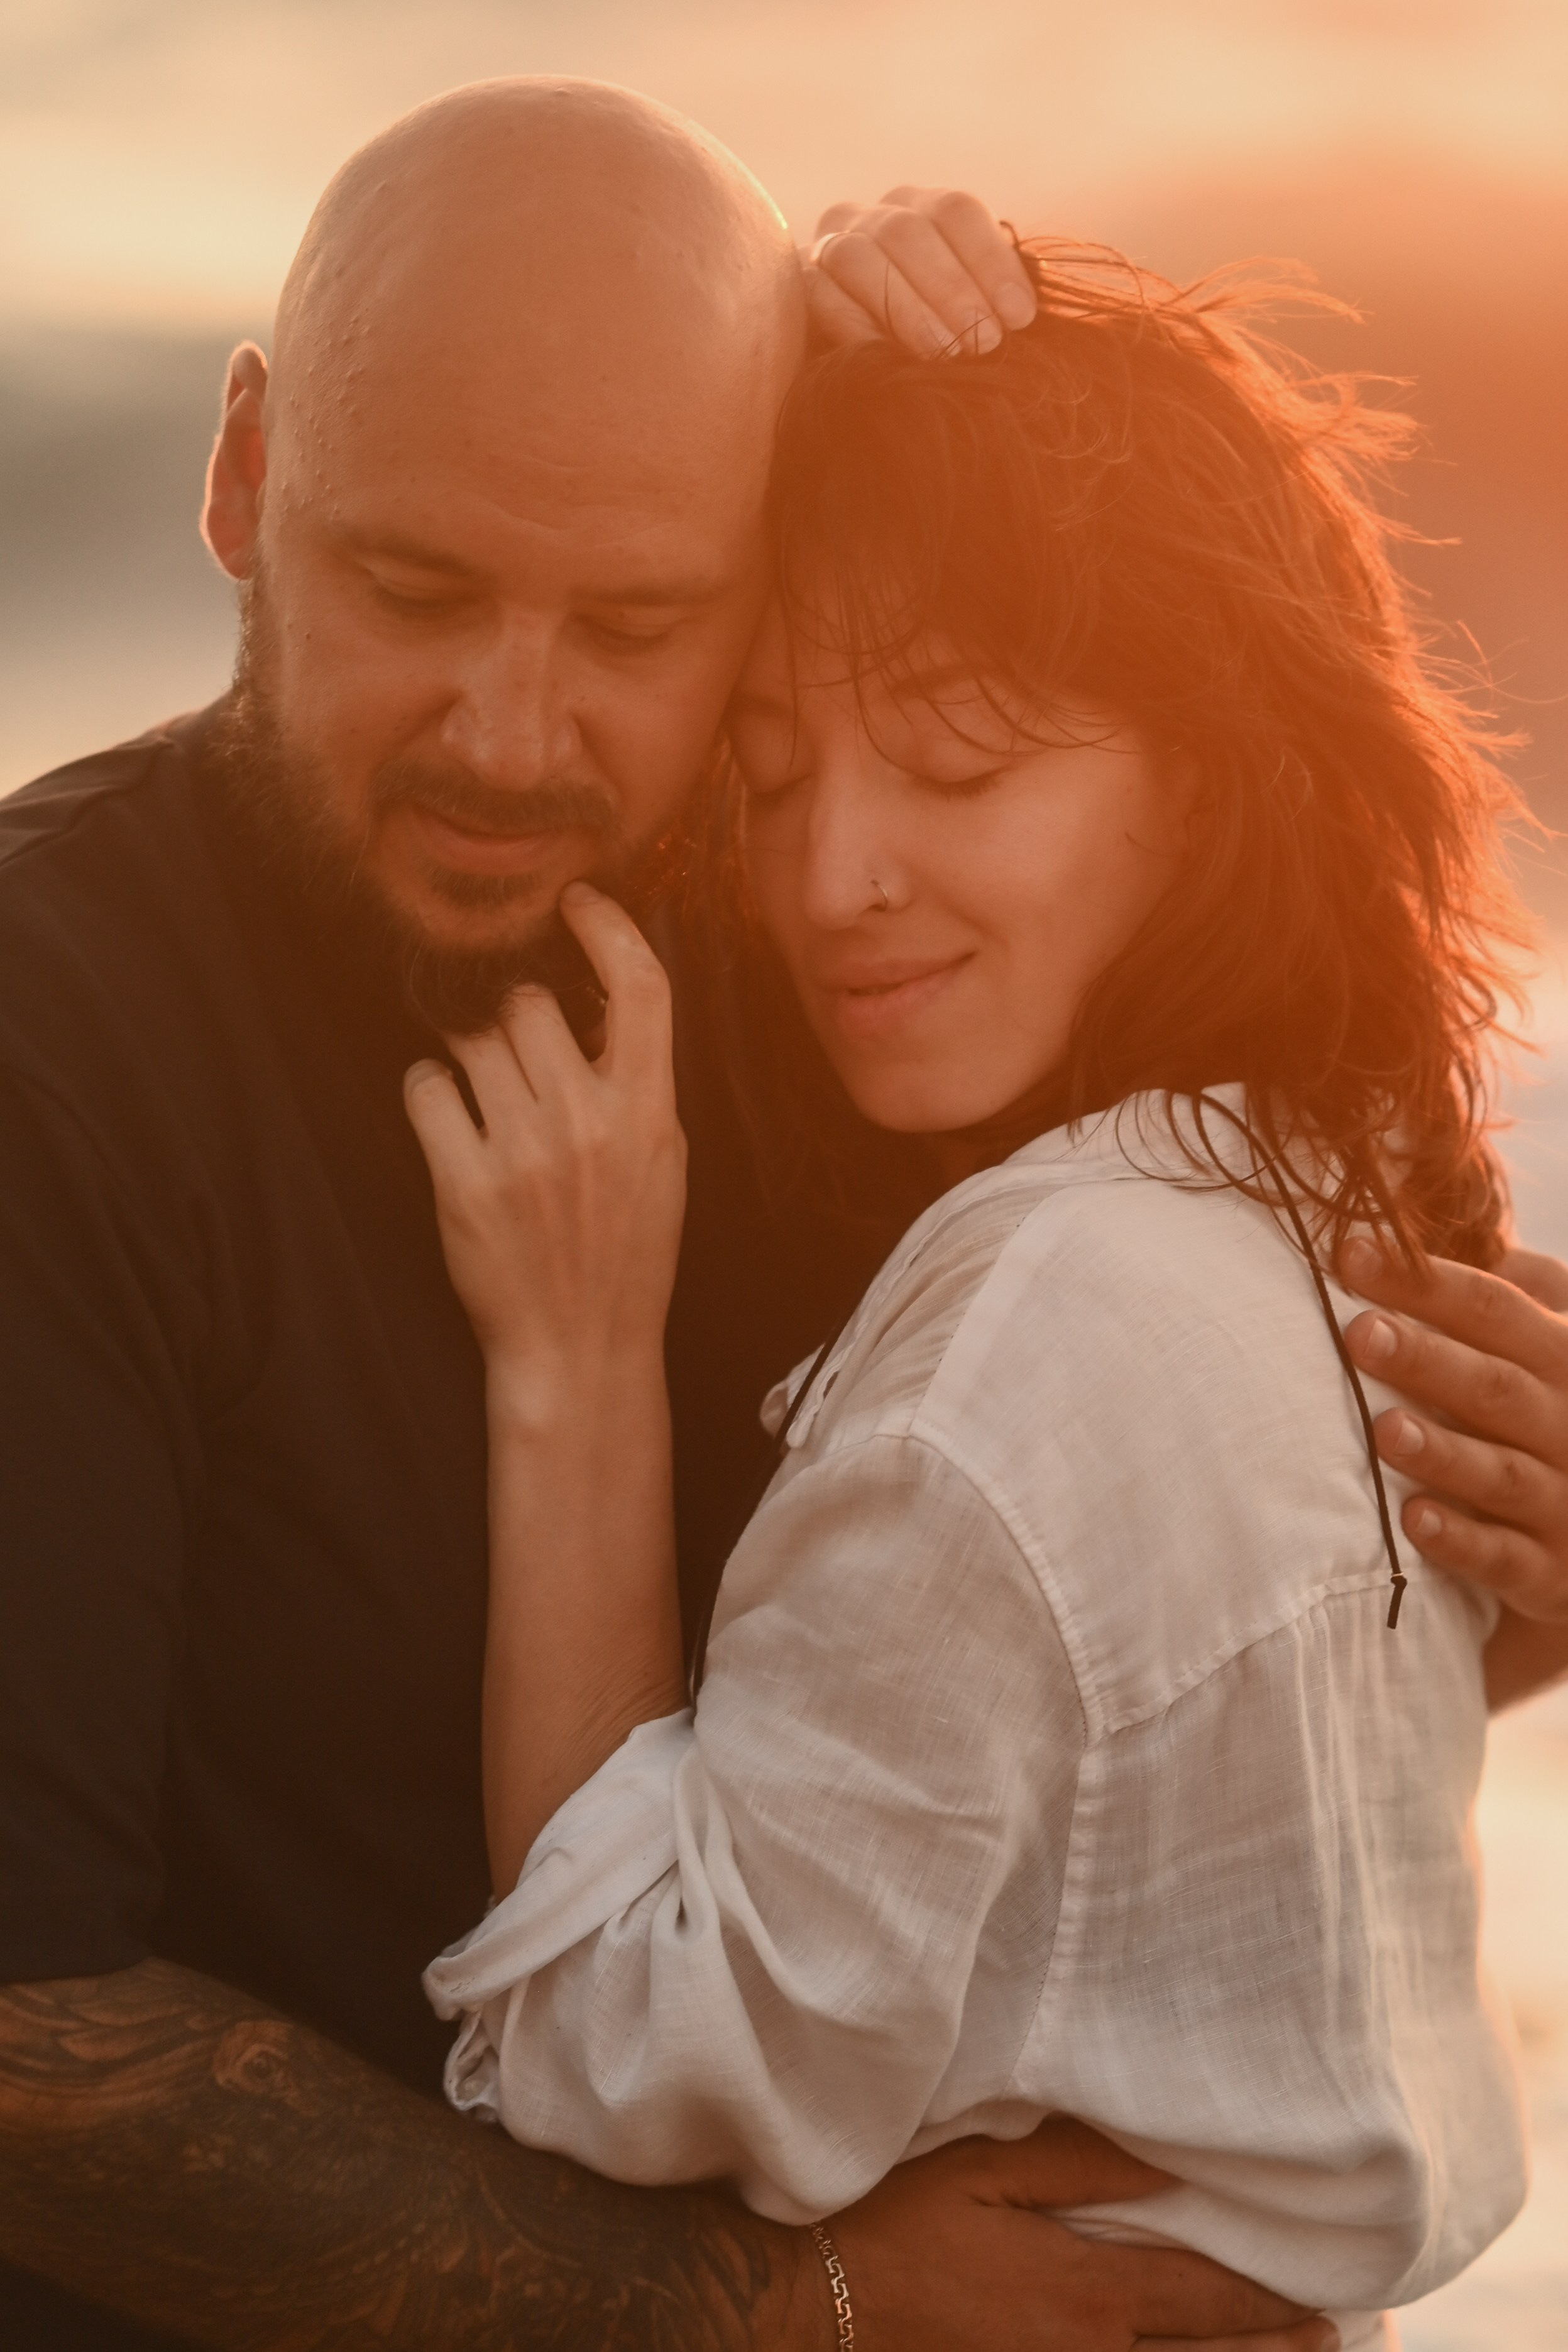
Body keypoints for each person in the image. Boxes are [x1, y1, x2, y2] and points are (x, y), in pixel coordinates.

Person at [0, 75, 1562, 2352]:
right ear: (246, 478)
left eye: (642, 625)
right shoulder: (60, 1048)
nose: (517, 734)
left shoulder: (849, 961)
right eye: (420, 589)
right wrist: (778, 2305)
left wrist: (1521, 1554)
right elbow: (25, 2033)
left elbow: (1144, 1655)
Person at [409, 242, 1566, 2352]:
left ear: (1203, 783)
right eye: (766, 779)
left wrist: (566, 1364)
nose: (826, 874)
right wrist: (789, 315)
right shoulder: (1326, 1188)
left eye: (956, 770)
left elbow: (631, 2050)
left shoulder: (1042, 1318)